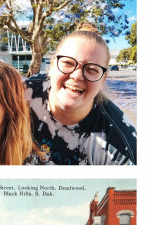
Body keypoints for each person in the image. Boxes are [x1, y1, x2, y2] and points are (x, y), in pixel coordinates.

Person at [25, 22, 137, 165]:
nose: (77, 76)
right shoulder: (23, 94)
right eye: (68, 63)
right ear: (52, 66)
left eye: (91, 69)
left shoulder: (121, 146)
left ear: (103, 80)